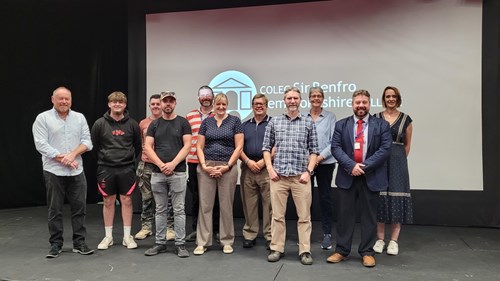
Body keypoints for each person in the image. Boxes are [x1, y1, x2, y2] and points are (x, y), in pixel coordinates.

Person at [327, 89, 391, 268]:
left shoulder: (381, 125)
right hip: (347, 176)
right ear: (352, 104)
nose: (361, 105)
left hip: (371, 176)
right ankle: (341, 250)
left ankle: (367, 252)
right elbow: (336, 148)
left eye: (364, 102)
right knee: (344, 215)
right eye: (358, 102)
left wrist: (363, 167)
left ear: (369, 104)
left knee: (369, 216)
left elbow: (385, 149)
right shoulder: (341, 125)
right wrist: (351, 166)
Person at [33, 86, 94, 258]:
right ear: (53, 99)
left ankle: (79, 243)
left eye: (67, 98)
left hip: (76, 171)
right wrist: (62, 158)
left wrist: (72, 155)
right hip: (53, 171)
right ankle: (56, 244)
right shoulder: (43, 118)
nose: (64, 102)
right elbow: (41, 144)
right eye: (60, 98)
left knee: (79, 208)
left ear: (71, 100)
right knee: (55, 209)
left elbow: (87, 142)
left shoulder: (79, 118)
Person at [262, 87, 319, 265]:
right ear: (284, 101)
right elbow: (265, 148)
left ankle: (305, 250)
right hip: (278, 177)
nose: (292, 101)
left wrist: (308, 172)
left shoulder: (308, 122)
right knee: (277, 216)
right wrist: (270, 169)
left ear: (300, 100)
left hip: (300, 178)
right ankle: (277, 248)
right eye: (289, 98)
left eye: (295, 98)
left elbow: (314, 151)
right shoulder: (274, 121)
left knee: (304, 217)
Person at [143, 91, 192, 258]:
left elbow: (187, 146)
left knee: (179, 210)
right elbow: (148, 146)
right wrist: (160, 164)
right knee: (160, 209)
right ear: (161, 103)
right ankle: (160, 243)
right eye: (165, 101)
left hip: (177, 172)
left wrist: (172, 164)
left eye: (171, 101)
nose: (167, 104)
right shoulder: (154, 125)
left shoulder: (183, 123)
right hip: (158, 173)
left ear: (175, 103)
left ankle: (180, 244)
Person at [193, 93, 243, 255]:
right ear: (213, 105)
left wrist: (227, 166)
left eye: (224, 104)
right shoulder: (206, 122)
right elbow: (199, 147)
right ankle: (202, 242)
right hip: (207, 167)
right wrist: (204, 166)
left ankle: (227, 241)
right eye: (218, 104)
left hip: (227, 168)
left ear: (227, 105)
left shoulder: (235, 121)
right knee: (205, 206)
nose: (221, 107)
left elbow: (239, 147)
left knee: (226, 206)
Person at [91, 91, 141, 250]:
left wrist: (128, 160)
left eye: (120, 102)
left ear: (125, 105)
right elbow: (94, 146)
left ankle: (127, 237)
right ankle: (108, 237)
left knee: (126, 200)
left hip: (127, 168)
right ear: (109, 104)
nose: (117, 104)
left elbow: (137, 146)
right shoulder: (99, 123)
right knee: (108, 201)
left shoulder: (132, 124)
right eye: (114, 102)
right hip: (106, 168)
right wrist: (106, 159)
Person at [372, 86, 414, 256]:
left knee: (397, 198)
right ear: (384, 98)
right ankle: (380, 239)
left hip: (398, 162)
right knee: (380, 199)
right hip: (379, 162)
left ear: (398, 98)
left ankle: (394, 241)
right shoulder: (375, 118)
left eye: (393, 96)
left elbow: (408, 145)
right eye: (388, 96)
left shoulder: (406, 119)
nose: (391, 99)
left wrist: (398, 160)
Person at [135, 94, 175, 241]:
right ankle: (146, 227)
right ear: (149, 106)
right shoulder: (143, 123)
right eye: (153, 104)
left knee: (169, 199)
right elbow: (141, 143)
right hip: (146, 165)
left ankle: (170, 228)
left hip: (164, 165)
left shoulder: (168, 122)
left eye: (158, 104)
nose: (156, 106)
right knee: (147, 198)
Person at [185, 85, 219, 242]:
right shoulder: (190, 116)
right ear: (198, 98)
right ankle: (196, 229)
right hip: (193, 161)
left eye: (208, 95)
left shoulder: (219, 115)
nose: (206, 98)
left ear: (213, 97)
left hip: (213, 161)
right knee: (196, 197)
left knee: (216, 197)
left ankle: (216, 230)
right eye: (202, 95)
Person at [239, 94, 272, 250]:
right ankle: (250, 234)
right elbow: (238, 147)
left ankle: (270, 235)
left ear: (266, 106)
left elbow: (276, 146)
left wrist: (263, 162)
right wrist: (248, 162)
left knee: (270, 205)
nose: (259, 106)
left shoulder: (273, 123)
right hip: (248, 168)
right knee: (249, 203)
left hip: (267, 169)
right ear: (252, 106)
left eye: (262, 104)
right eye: (256, 104)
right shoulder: (244, 125)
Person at [307, 87, 337, 250]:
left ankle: (327, 234)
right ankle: (306, 234)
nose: (316, 98)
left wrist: (318, 158)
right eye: (313, 96)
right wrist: (309, 158)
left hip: (325, 162)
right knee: (306, 199)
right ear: (309, 98)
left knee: (325, 198)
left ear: (323, 98)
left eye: (319, 96)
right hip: (305, 163)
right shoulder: (303, 116)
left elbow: (334, 142)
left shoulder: (330, 116)